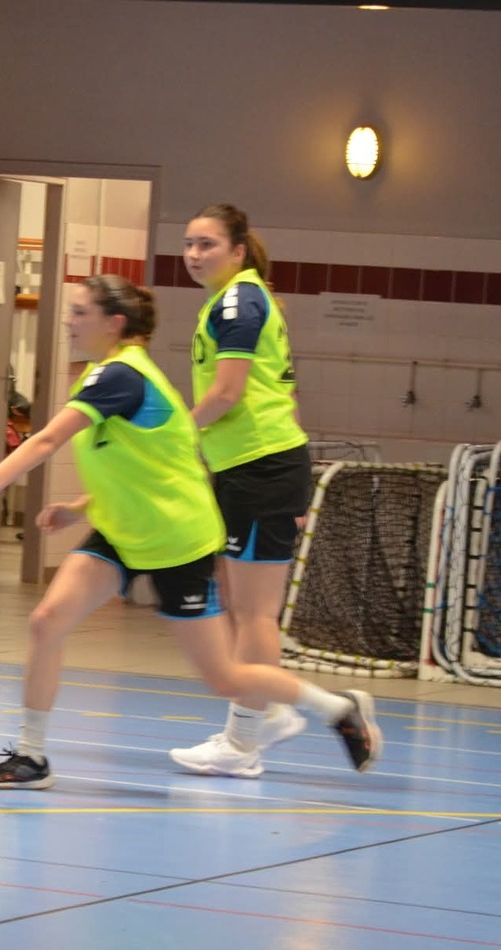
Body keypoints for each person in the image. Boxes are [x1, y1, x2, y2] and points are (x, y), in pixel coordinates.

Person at [0, 274, 380, 790]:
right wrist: (79, 510)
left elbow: (46, 441)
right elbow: (141, 466)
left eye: (80, 312)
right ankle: (31, 758)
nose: (69, 321)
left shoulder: (122, 376)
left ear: (114, 323)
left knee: (224, 677)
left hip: (177, 543)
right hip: (122, 534)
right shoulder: (103, 375)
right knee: (46, 621)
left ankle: (336, 708)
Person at [168, 203, 318, 777]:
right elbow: (284, 394)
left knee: (256, 615)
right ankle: (269, 709)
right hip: (250, 468)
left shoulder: (239, 302)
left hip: (262, 468)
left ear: (237, 250)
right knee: (242, 605)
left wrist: (173, 436)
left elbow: (227, 393)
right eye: (188, 243)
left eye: (206, 244)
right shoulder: (235, 301)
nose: (193, 254)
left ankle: (242, 744)